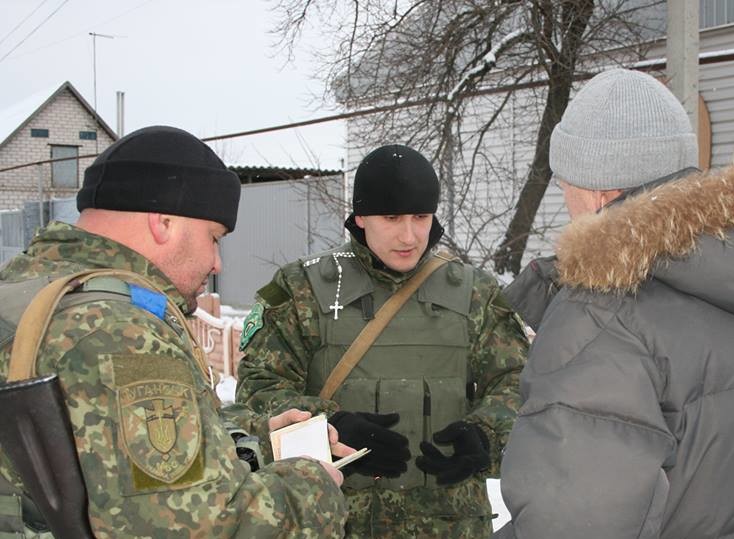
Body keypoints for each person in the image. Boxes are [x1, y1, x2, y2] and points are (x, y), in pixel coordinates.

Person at [496, 69, 734, 538]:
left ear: (596, 187)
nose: (565, 197)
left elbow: (575, 519)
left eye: (564, 182)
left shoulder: (603, 313)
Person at [0, 126, 349, 538]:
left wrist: (257, 436)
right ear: (163, 222)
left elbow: (102, 446)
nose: (217, 263)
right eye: (214, 238)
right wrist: (314, 486)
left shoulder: (30, 289)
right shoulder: (122, 332)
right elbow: (195, 527)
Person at [236, 144, 529, 537]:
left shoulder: (476, 295)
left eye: (420, 217)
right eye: (391, 217)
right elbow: (258, 393)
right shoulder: (302, 291)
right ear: (361, 217)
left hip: (449, 525)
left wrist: (485, 435)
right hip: (335, 521)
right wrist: (330, 428)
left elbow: (520, 384)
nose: (409, 235)